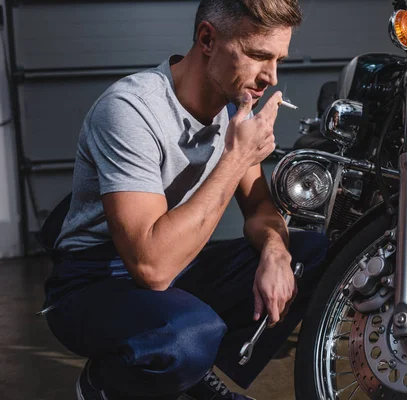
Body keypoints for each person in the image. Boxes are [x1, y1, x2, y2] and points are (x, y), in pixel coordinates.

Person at [40, 0, 329, 399]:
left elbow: (260, 208)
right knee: (187, 334)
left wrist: (277, 254)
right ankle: (103, 384)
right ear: (208, 39)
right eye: (259, 55)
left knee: (309, 252)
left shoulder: (233, 108)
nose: (271, 77)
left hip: (178, 261)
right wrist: (237, 156)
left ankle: (194, 374)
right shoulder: (131, 109)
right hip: (94, 280)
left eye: (278, 59)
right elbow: (151, 267)